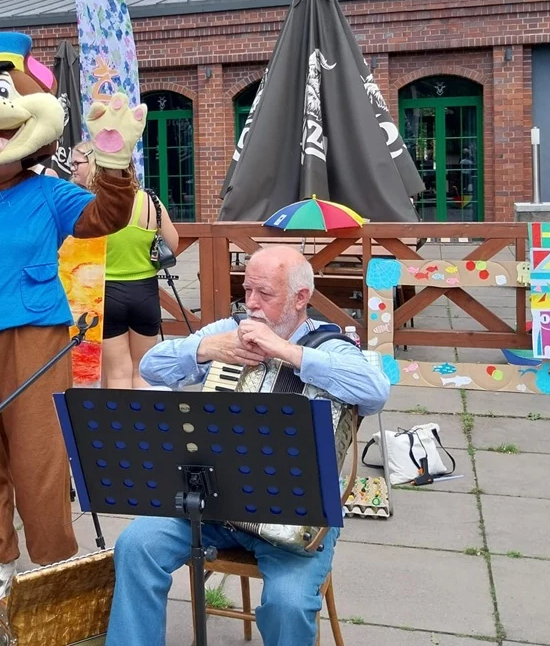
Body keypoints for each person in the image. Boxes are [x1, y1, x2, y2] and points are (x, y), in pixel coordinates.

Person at [0, 31, 145, 608]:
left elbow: (106, 218)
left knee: (39, 454)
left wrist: (115, 164)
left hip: (35, 335)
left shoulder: (49, 194)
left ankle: (51, 559)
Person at [106, 245, 390, 646]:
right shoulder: (230, 330)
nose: (251, 303)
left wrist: (288, 352)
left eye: (265, 293)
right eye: (247, 290)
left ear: (300, 298)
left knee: (288, 604)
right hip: (213, 505)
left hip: (294, 517)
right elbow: (152, 366)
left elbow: (376, 391)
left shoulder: (331, 345)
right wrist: (205, 349)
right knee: (136, 546)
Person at [71, 142, 180, 388]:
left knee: (117, 373)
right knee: (142, 371)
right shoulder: (150, 200)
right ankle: (143, 414)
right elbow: (172, 244)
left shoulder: (94, 205)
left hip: (107, 293)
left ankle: (118, 415)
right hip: (145, 292)